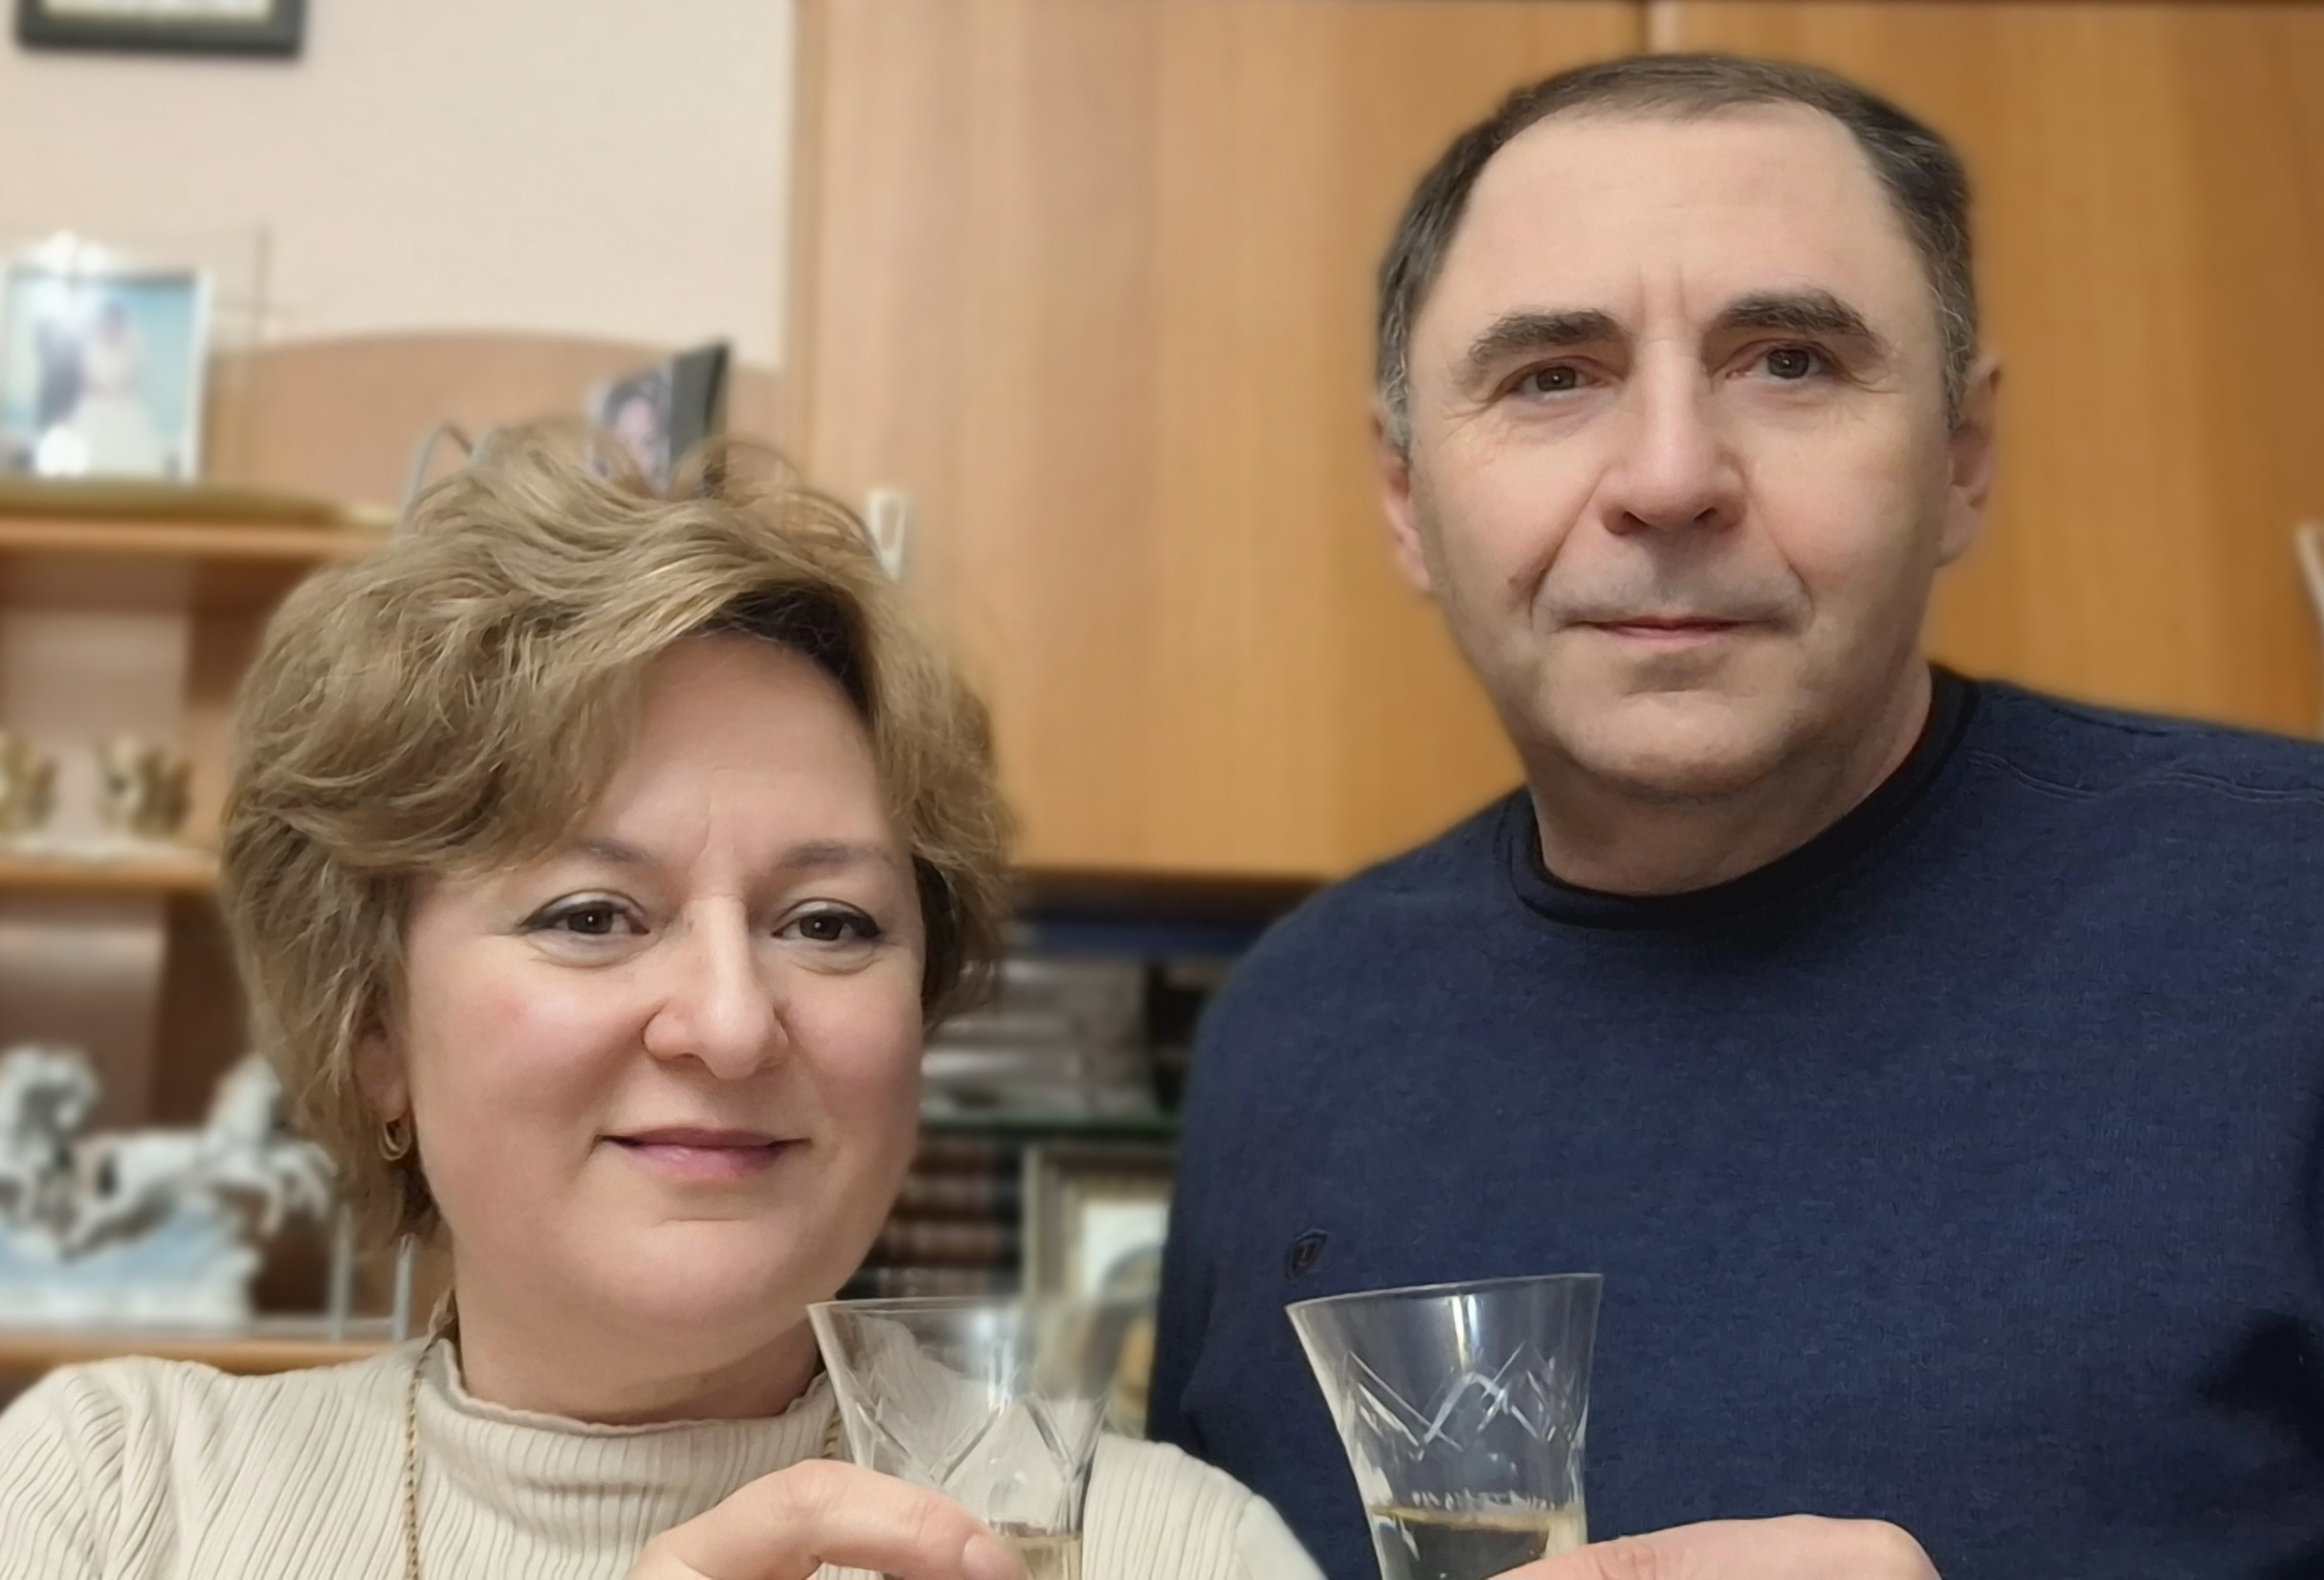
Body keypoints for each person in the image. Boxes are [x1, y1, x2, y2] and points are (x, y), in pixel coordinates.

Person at [1149, 53, 2324, 1580]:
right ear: (1403, 497)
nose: (1668, 478)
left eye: (1788, 362)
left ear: (1962, 458)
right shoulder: (1288, 1035)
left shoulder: (2292, 923)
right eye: (1550, 376)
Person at [0, 432, 1321, 1580]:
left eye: (827, 924)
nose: (733, 1025)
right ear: (375, 1028)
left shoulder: (1164, 1549)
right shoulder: (115, 1497)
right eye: (591, 918)